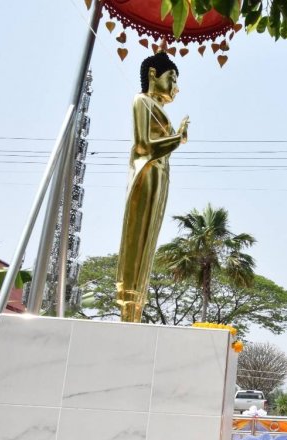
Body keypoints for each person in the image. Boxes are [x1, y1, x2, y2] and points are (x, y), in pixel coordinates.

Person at [116, 51, 190, 322]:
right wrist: (176, 139)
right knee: (138, 238)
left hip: (160, 175)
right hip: (146, 174)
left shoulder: (159, 109)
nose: (175, 87)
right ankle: (128, 305)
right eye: (171, 78)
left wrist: (174, 139)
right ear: (152, 75)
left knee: (149, 240)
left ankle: (137, 307)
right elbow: (143, 145)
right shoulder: (142, 101)